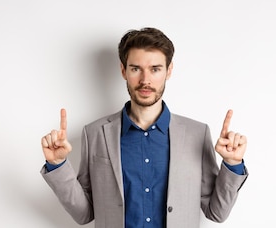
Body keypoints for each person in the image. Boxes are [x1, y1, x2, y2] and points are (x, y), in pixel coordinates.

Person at [40, 27, 249, 228]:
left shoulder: (197, 134)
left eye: (155, 69)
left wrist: (232, 164)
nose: (145, 80)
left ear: (169, 71)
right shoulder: (94, 133)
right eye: (135, 69)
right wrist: (58, 165)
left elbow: (217, 212)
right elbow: (84, 213)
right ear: (123, 70)